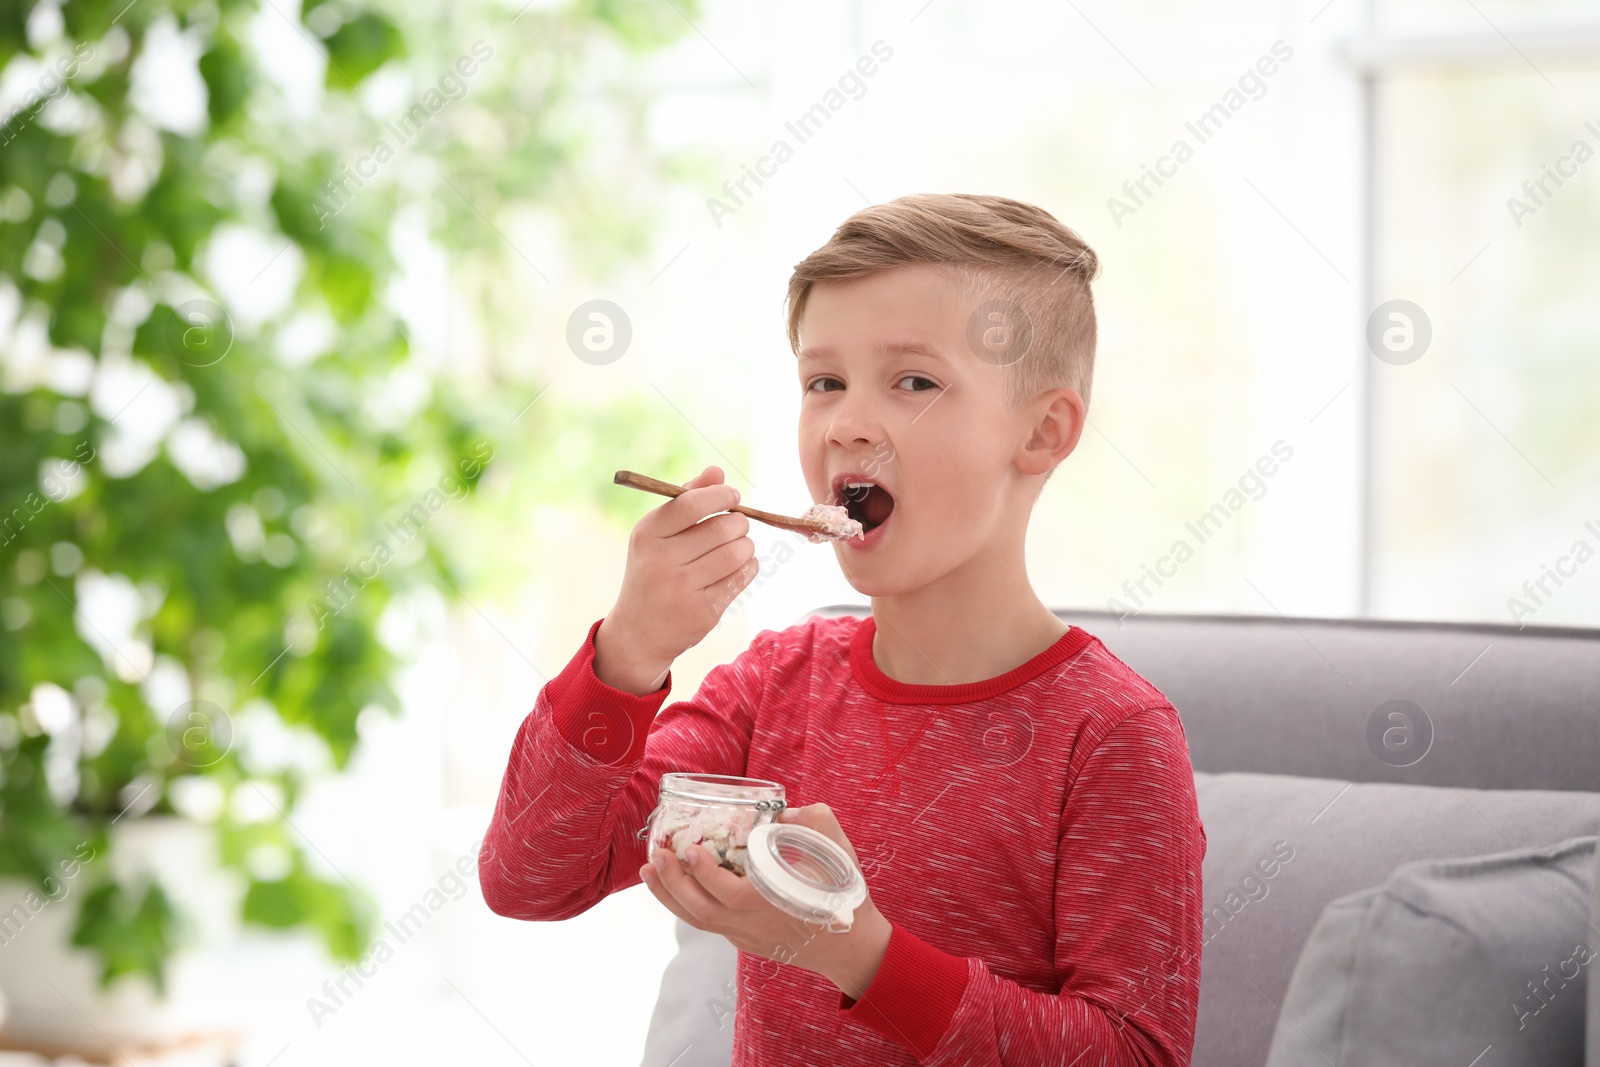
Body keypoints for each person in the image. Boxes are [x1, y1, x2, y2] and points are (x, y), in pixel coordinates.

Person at [479, 192, 1206, 1066]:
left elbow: (1135, 1054)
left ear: (1042, 432)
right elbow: (529, 876)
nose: (846, 423)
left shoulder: (1113, 737)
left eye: (914, 382)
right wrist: (627, 655)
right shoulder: (774, 686)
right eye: (824, 381)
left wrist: (854, 951)